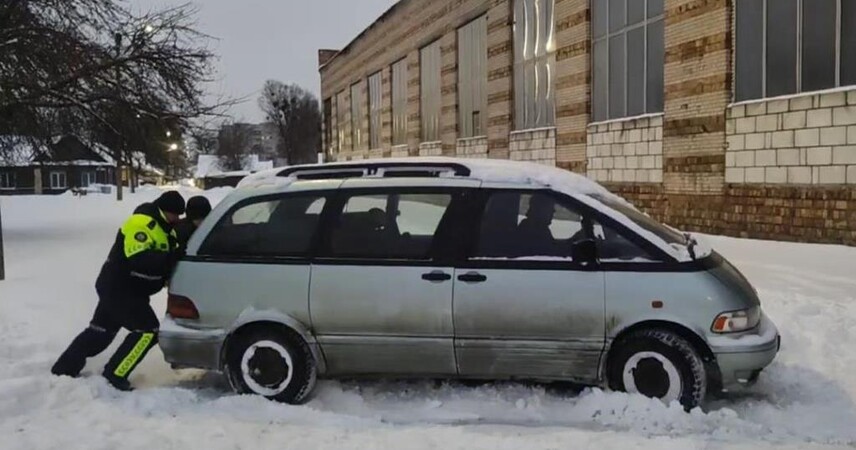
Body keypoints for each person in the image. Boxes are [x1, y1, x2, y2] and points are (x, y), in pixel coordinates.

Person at [51, 191, 186, 391]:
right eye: (174, 215)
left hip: (127, 290)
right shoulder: (140, 223)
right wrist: (170, 258)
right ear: (164, 210)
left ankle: (63, 369)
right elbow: (139, 258)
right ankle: (115, 374)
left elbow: (171, 253)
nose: (177, 219)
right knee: (148, 332)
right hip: (121, 289)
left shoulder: (167, 229)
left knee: (100, 332)